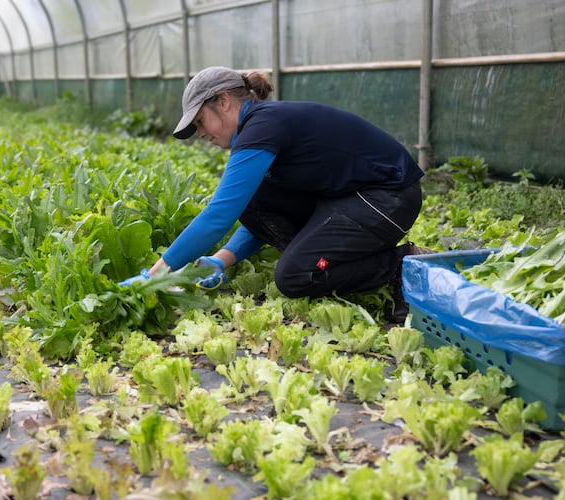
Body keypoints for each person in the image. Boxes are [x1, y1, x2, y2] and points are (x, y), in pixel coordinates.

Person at [121, 66, 427, 321]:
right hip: (347, 198)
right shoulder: (261, 127)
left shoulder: (264, 125)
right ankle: (320, 258)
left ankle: (401, 265)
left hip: (386, 199)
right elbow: (256, 210)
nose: (201, 134)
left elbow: (218, 216)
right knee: (252, 197)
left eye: (201, 121)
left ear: (224, 101)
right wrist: (221, 260)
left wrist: (157, 274)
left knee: (295, 275)